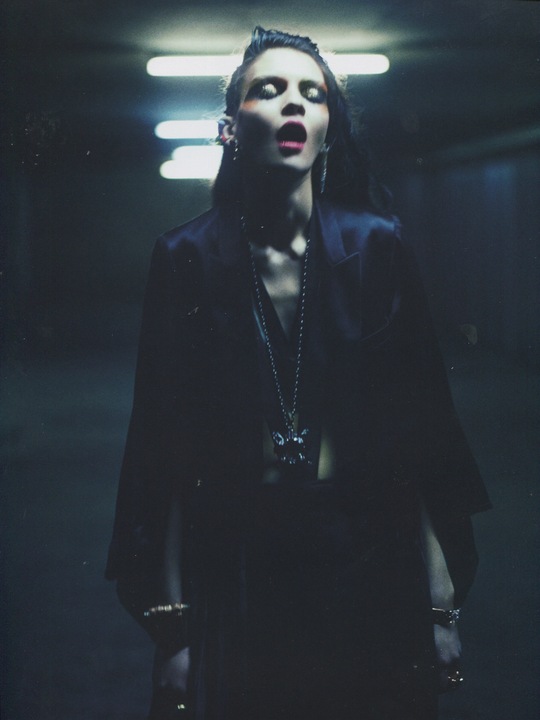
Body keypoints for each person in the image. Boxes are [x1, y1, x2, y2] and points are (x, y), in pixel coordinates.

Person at [106, 26, 491, 720]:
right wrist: (173, 629)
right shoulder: (186, 259)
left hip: (365, 567)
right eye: (270, 89)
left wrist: (440, 610)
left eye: (313, 94)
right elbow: (162, 450)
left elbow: (423, 439)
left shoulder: (377, 248)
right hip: (242, 574)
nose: (294, 103)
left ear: (327, 131)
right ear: (229, 128)